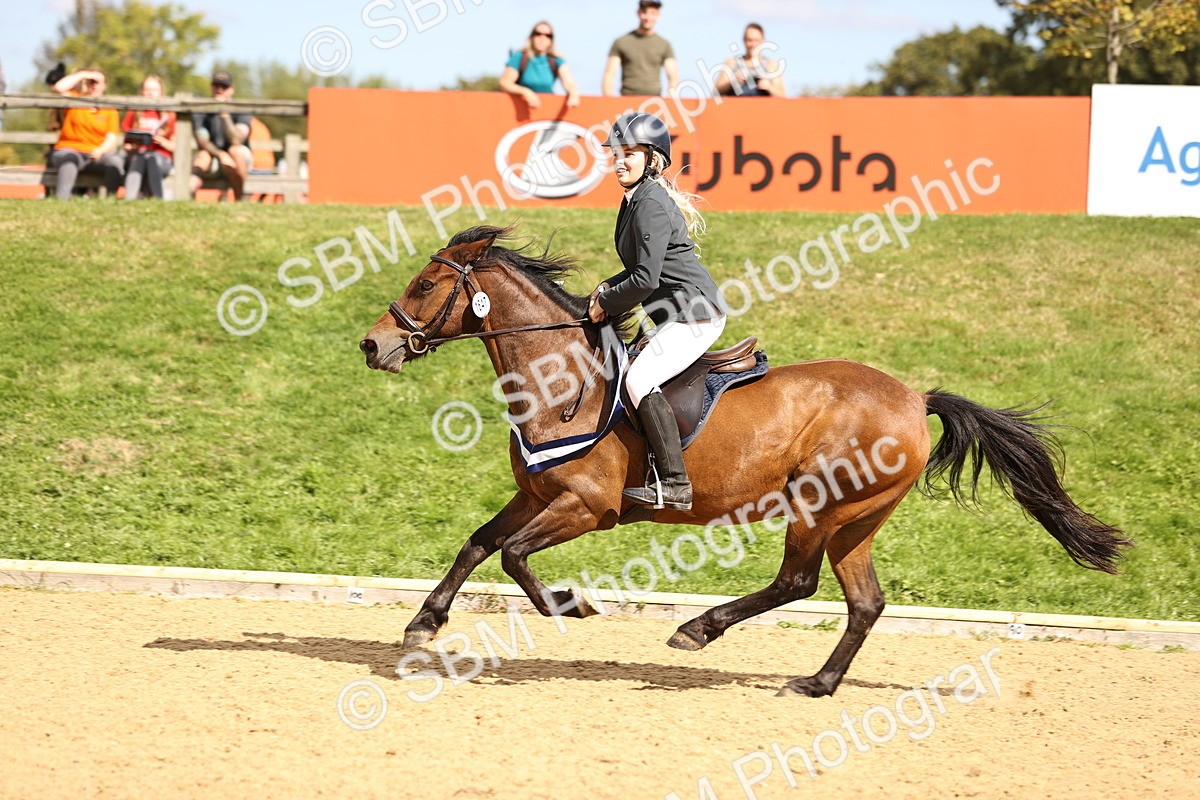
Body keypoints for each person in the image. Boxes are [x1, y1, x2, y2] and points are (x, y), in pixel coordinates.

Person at [588, 112, 729, 511]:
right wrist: (607, 286)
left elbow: (646, 280)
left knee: (639, 379)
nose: (619, 160)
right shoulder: (635, 199)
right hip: (675, 314)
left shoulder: (649, 202)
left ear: (653, 158)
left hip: (696, 316)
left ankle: (675, 484)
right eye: (616, 153)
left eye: (629, 153)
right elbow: (639, 268)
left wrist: (607, 302)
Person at [47, 68, 123, 200]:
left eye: (97, 82)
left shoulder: (110, 109)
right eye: (90, 82)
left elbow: (111, 137)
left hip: (95, 155)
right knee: (69, 159)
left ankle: (112, 200)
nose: (93, 85)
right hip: (69, 149)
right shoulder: (75, 99)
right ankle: (61, 201)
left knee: (115, 161)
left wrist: (100, 150)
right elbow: (58, 88)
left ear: (105, 86)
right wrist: (83, 74)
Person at [191, 70, 252, 201]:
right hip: (213, 156)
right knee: (201, 157)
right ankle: (185, 201)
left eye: (224, 86)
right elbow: (202, 140)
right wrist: (220, 154)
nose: (219, 90)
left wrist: (224, 115)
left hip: (238, 158)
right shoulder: (201, 110)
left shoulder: (242, 109)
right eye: (216, 85)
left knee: (235, 151)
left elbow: (236, 140)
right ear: (211, 87)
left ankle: (241, 200)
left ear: (232, 89)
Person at [603, 0, 679, 97]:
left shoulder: (664, 44)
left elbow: (673, 77)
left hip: (655, 102)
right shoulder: (621, 42)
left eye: (652, 13)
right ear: (638, 13)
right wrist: (609, 102)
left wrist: (669, 102)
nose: (648, 17)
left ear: (658, 15)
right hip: (626, 101)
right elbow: (609, 74)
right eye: (644, 12)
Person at [499, 21, 581, 109]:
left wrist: (573, 93)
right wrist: (525, 92)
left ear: (551, 40)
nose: (542, 38)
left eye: (548, 35)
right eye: (538, 34)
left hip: (547, 108)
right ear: (531, 37)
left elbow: (569, 82)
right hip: (522, 108)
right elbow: (505, 82)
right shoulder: (520, 57)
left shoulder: (556, 60)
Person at [121, 75, 176, 200]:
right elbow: (126, 145)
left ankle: (158, 199)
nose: (150, 93)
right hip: (138, 155)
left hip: (161, 157)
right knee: (139, 158)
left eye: (154, 90)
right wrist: (132, 147)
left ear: (161, 92)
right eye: (147, 89)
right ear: (142, 92)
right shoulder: (134, 112)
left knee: (151, 158)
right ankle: (129, 200)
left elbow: (175, 147)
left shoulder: (170, 114)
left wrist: (161, 141)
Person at [714, 23, 786, 98]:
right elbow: (716, 91)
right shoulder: (731, 62)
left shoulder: (771, 65)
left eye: (756, 40)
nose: (753, 44)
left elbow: (783, 95)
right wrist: (732, 82)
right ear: (744, 40)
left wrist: (768, 87)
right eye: (749, 40)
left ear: (763, 41)